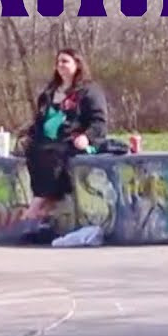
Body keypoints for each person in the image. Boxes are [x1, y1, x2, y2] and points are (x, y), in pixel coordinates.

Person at [20, 48, 109, 225]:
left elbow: (99, 121)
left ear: (77, 64)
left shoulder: (89, 91)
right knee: (33, 151)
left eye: (65, 61)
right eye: (58, 62)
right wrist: (27, 136)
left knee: (56, 154)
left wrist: (87, 136)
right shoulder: (49, 93)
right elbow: (40, 120)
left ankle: (40, 203)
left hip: (74, 140)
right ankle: (44, 199)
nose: (61, 66)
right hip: (46, 140)